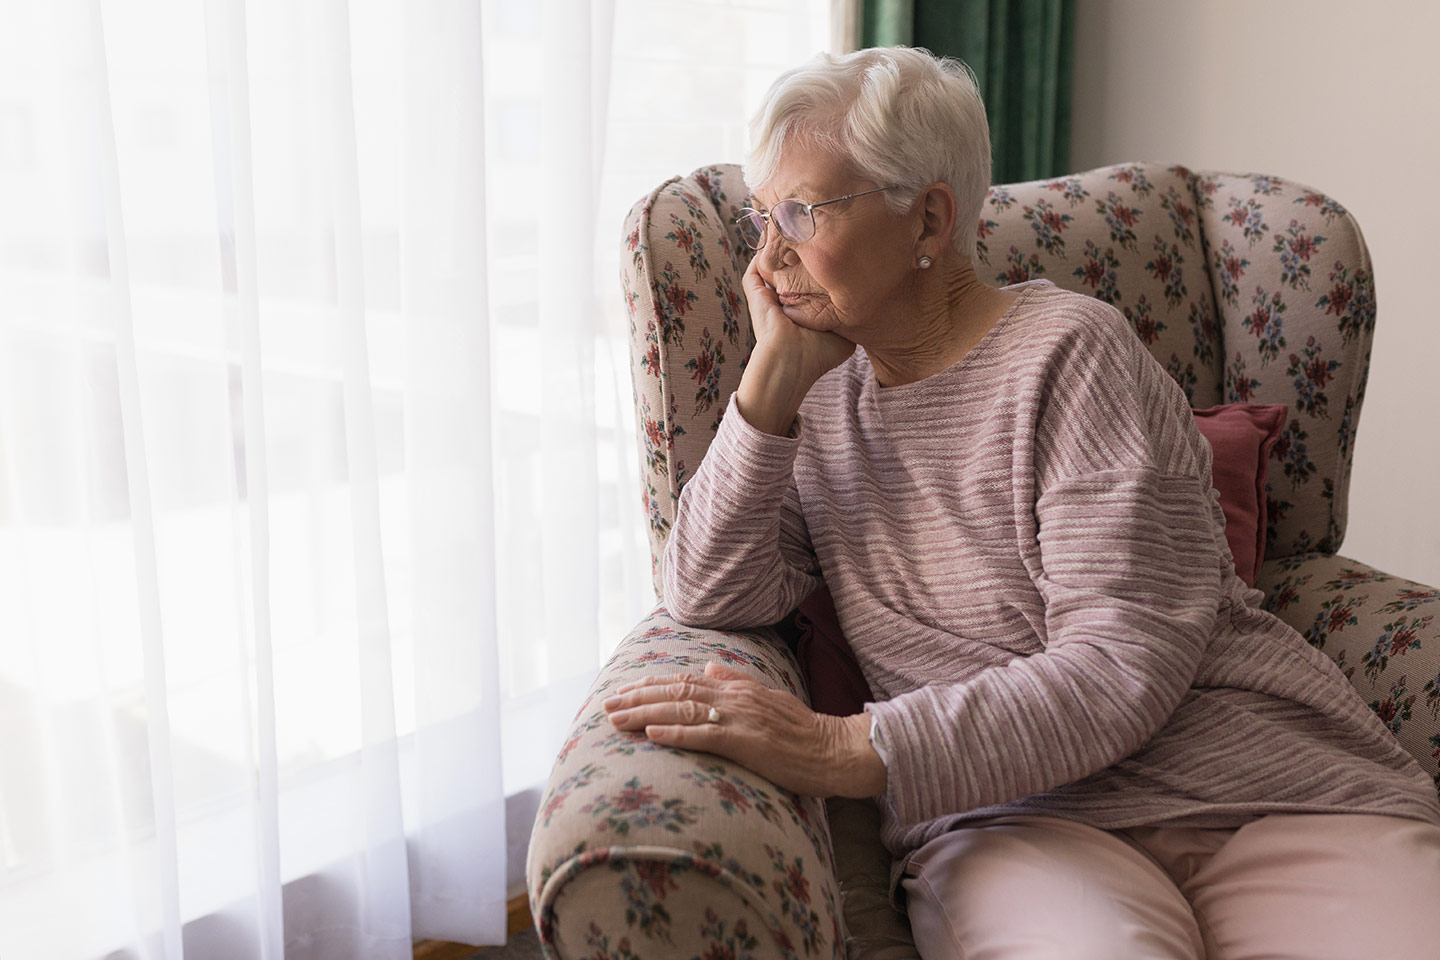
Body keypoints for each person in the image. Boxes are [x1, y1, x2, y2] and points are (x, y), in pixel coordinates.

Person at [601, 46, 1440, 959]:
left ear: (928, 216)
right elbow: (709, 595)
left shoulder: (1070, 353)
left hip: (1262, 789)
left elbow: (1121, 665)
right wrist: (765, 393)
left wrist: (844, 751)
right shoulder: (816, 398)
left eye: (801, 214)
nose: (768, 261)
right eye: (765, 220)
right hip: (1012, 821)